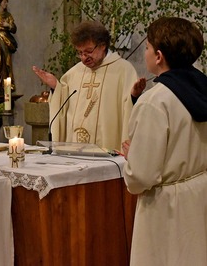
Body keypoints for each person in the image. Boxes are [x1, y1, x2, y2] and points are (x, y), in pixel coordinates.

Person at [122, 17, 207, 265]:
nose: (145, 52)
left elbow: (141, 177)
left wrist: (132, 158)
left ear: (158, 56)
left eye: (147, 47)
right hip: (199, 195)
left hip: (167, 209)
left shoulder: (156, 101)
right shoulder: (202, 88)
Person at [33, 20, 138, 151]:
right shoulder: (74, 73)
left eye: (88, 51)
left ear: (102, 46)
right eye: (80, 52)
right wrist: (56, 87)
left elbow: (131, 110)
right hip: (75, 152)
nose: (83, 58)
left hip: (109, 153)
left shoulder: (124, 71)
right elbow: (62, 107)